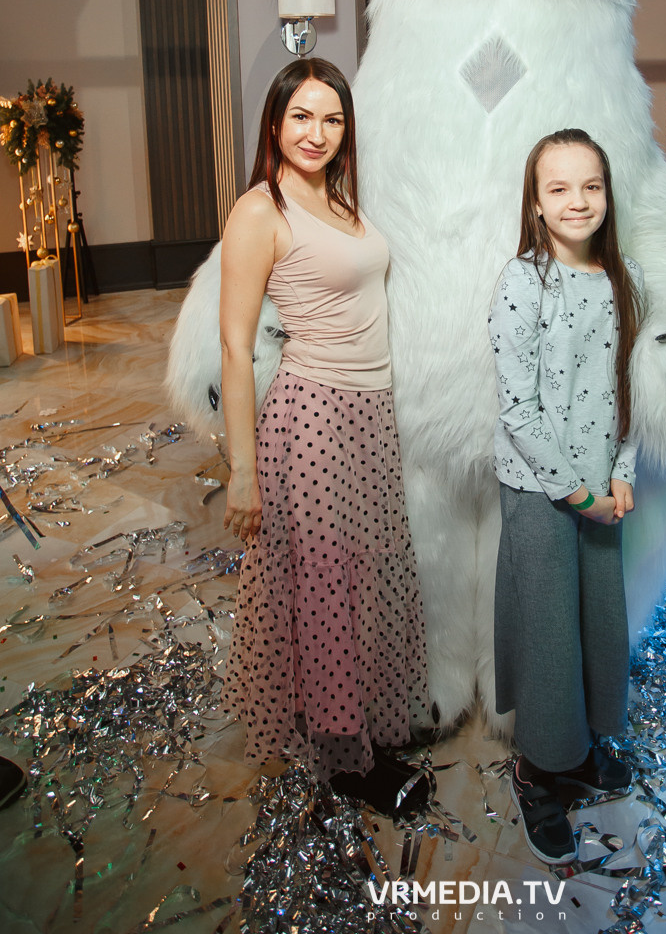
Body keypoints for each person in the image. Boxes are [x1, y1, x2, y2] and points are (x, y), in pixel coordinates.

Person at [219, 58, 430, 814]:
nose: (317, 132)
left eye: (331, 118)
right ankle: (346, 761)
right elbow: (234, 349)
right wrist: (242, 473)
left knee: (368, 574)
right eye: (301, 116)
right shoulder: (260, 210)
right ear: (274, 122)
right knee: (326, 587)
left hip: (369, 415)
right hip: (309, 417)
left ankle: (364, 719)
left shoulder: (341, 198)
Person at [488, 129, 640, 865]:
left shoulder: (623, 278)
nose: (577, 201)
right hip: (545, 494)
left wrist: (624, 473)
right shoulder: (522, 283)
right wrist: (577, 492)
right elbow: (516, 410)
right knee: (548, 637)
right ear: (536, 204)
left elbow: (632, 388)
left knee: (593, 628)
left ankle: (575, 752)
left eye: (590, 186)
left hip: (600, 493)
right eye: (558, 189)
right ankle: (536, 770)